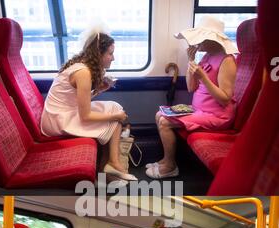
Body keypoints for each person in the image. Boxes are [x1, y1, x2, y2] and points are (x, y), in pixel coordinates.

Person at [146, 16, 238, 179]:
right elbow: (191, 87)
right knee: (159, 114)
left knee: (165, 122)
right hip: (200, 110)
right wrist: (190, 60)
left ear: (212, 38)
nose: (197, 43)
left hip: (217, 115)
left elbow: (225, 98)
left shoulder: (227, 60)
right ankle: (165, 159)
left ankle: (170, 166)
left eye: (201, 38)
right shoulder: (206, 56)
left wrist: (203, 77)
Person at [41, 28, 137, 181]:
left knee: (114, 106)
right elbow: (85, 115)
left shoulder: (82, 66)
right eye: (110, 54)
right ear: (99, 54)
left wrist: (99, 91)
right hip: (58, 121)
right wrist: (116, 116)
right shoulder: (83, 72)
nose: (113, 58)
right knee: (115, 118)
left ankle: (112, 164)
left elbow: (76, 100)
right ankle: (111, 166)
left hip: (64, 113)